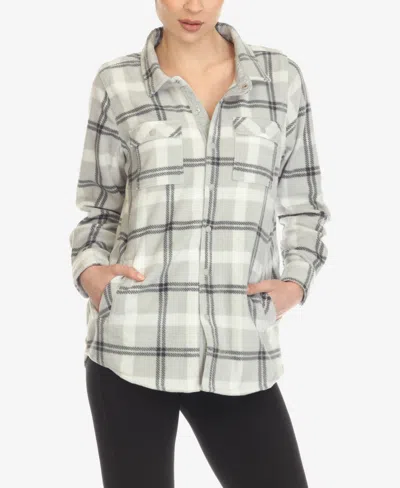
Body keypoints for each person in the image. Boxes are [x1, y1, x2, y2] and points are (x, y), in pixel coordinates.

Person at [69, 1, 331, 487]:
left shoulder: (280, 78)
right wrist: (92, 274)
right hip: (132, 345)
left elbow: (304, 206)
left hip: (240, 346)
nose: (193, 5)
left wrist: (295, 284)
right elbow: (99, 207)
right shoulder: (116, 82)